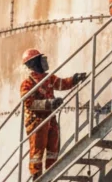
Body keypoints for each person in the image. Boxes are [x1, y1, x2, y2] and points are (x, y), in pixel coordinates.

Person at [20, 49, 86, 180]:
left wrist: (74, 79)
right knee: (37, 153)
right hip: (37, 123)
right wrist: (50, 103)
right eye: (41, 59)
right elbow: (29, 103)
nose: (44, 62)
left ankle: (51, 176)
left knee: (53, 150)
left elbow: (62, 84)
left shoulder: (48, 78)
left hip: (51, 119)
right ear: (33, 63)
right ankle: (37, 177)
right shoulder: (27, 83)